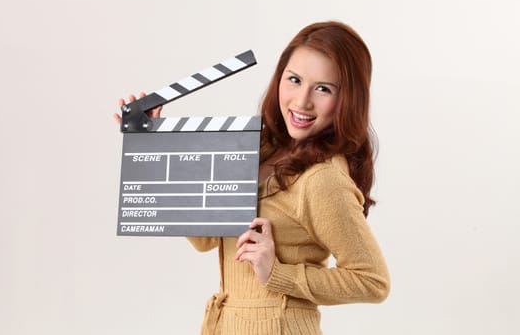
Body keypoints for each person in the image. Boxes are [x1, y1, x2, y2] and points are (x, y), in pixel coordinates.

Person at [115, 21, 389, 335]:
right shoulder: (258, 149)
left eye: (323, 88)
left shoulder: (322, 180)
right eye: (295, 80)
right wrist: (156, 147)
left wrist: (277, 272)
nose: (302, 101)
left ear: (348, 99)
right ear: (279, 77)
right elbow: (206, 240)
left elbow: (372, 281)